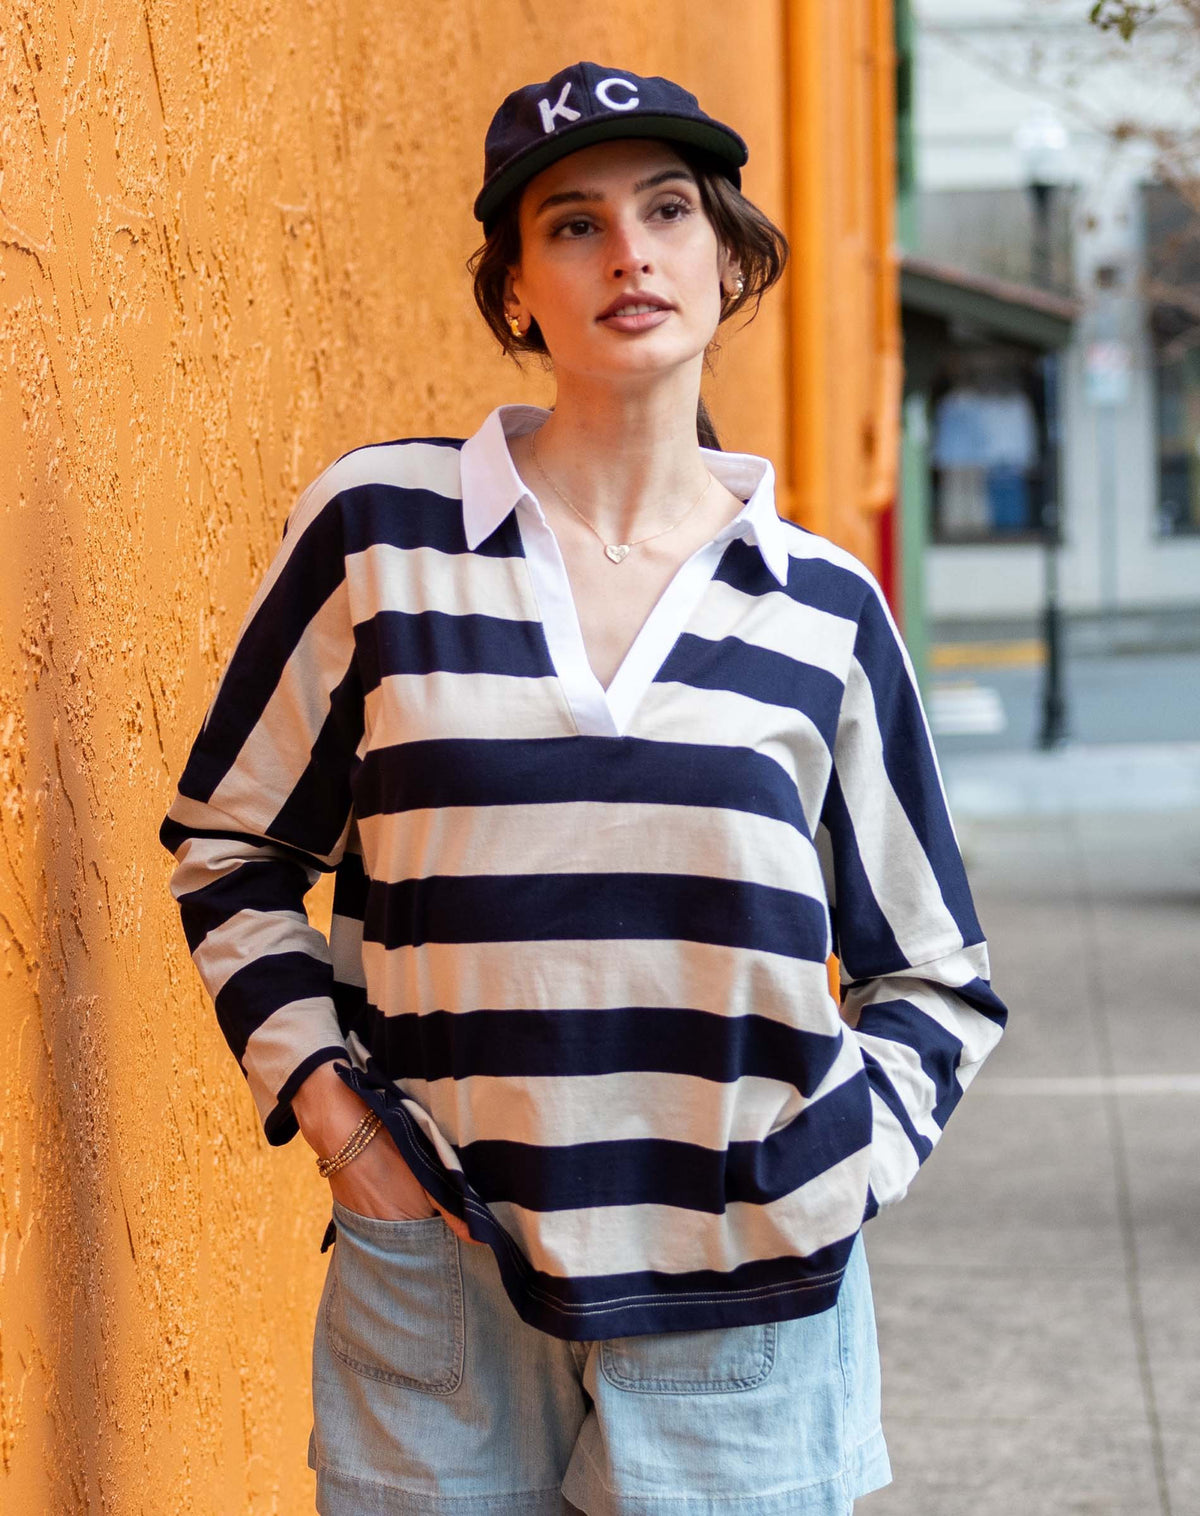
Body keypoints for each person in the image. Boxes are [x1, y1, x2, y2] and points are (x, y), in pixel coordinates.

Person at [160, 61, 1007, 1516]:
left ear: (728, 258)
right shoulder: (381, 539)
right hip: (440, 1270)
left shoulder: (824, 612)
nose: (629, 253)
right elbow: (229, 849)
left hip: (745, 1297)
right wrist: (340, 1126)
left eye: (669, 210)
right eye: (573, 224)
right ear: (514, 290)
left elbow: (938, 979)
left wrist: (827, 1178)